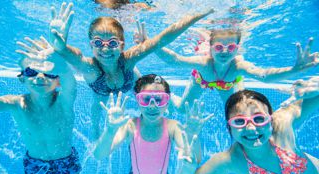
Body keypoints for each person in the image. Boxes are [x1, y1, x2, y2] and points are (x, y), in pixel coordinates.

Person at [49, 2, 214, 139]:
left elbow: (162, 39)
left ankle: (166, 104)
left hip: (130, 79)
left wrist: (195, 16)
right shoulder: (90, 67)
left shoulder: (128, 60)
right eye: (98, 43)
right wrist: (59, 41)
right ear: (91, 45)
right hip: (102, 90)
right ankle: (94, 129)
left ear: (122, 45)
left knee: (148, 89)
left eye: (112, 43)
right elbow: (67, 53)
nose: (105, 49)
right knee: (97, 108)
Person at [177, 81, 319, 174]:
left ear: (271, 119)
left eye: (259, 119)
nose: (251, 128)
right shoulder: (232, 159)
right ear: (229, 127)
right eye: (239, 121)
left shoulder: (282, 123)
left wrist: (313, 87)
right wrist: (188, 169)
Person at [134, 24, 319, 111]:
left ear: (237, 49)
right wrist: (150, 44)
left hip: (229, 85)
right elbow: (174, 60)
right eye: (218, 47)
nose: (224, 52)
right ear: (211, 48)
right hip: (202, 81)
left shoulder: (238, 65)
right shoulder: (204, 64)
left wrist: (294, 70)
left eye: (230, 47)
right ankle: (172, 96)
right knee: (182, 109)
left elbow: (263, 75)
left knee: (239, 109)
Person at [93, 74, 213, 174]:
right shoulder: (130, 126)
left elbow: (195, 157)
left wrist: (192, 134)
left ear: (167, 103)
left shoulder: (173, 127)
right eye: (145, 99)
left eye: (159, 99)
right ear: (137, 100)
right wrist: (110, 130)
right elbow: (99, 154)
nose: (152, 106)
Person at [0, 37, 81, 174]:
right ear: (22, 77)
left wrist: (57, 59)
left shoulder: (63, 101)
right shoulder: (16, 104)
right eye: (31, 71)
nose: (41, 76)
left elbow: (70, 81)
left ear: (58, 80)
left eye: (49, 72)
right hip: (36, 163)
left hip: (65, 163)